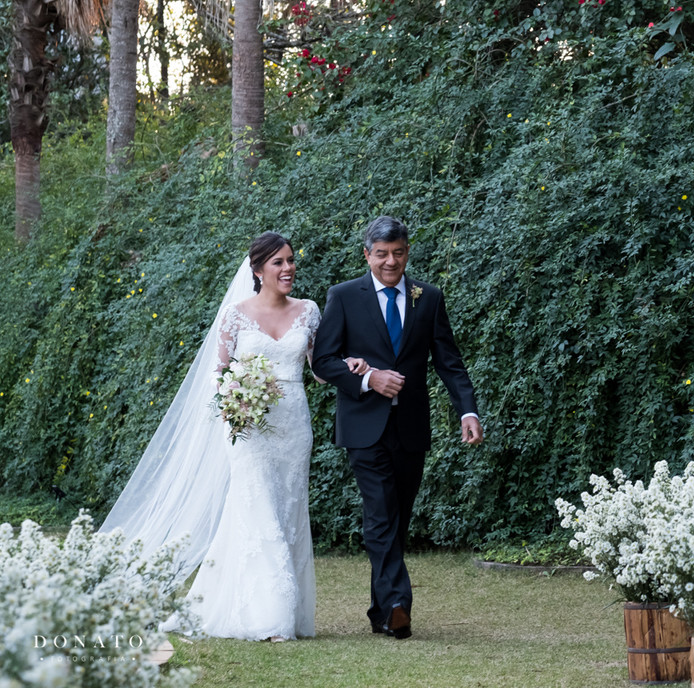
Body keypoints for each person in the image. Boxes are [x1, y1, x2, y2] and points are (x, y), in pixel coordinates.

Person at [101, 232, 323, 641]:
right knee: (258, 509)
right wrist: (238, 400)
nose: (289, 268)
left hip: (293, 425)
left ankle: (282, 608)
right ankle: (270, 618)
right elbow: (219, 373)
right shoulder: (235, 314)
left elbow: (318, 367)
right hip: (248, 427)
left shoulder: (308, 312)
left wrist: (356, 367)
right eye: (278, 262)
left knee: (289, 509)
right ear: (258, 271)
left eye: (291, 260)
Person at [312, 216, 483, 640]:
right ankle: (399, 605)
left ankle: (381, 612)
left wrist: (468, 412)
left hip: (410, 426)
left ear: (407, 252)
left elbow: (449, 361)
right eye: (382, 254)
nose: (391, 262)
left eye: (399, 253)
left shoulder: (430, 297)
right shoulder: (344, 296)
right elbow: (324, 361)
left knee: (397, 518)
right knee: (379, 515)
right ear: (367, 254)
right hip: (363, 426)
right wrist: (369, 379)